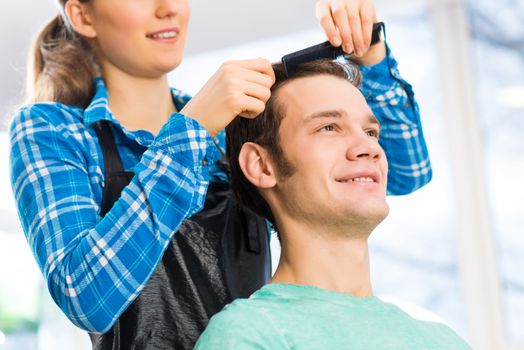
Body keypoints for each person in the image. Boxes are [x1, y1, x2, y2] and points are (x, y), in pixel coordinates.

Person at [9, 0, 431, 349]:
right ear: (82, 16)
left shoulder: (230, 128)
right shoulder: (54, 131)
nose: (168, 9)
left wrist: (369, 51)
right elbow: (87, 296)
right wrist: (192, 129)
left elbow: (405, 168)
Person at [194, 59, 471, 349]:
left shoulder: (443, 340)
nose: (369, 149)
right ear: (262, 166)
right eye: (329, 127)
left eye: (370, 132)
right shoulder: (248, 334)